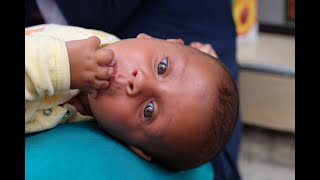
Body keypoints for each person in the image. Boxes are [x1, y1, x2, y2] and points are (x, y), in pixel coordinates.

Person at [25, 24, 239, 171]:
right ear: (159, 40)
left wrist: (57, 69)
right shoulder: (103, 44)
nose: (139, 82)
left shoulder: (55, 113)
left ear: (135, 147)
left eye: (149, 111)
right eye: (162, 67)